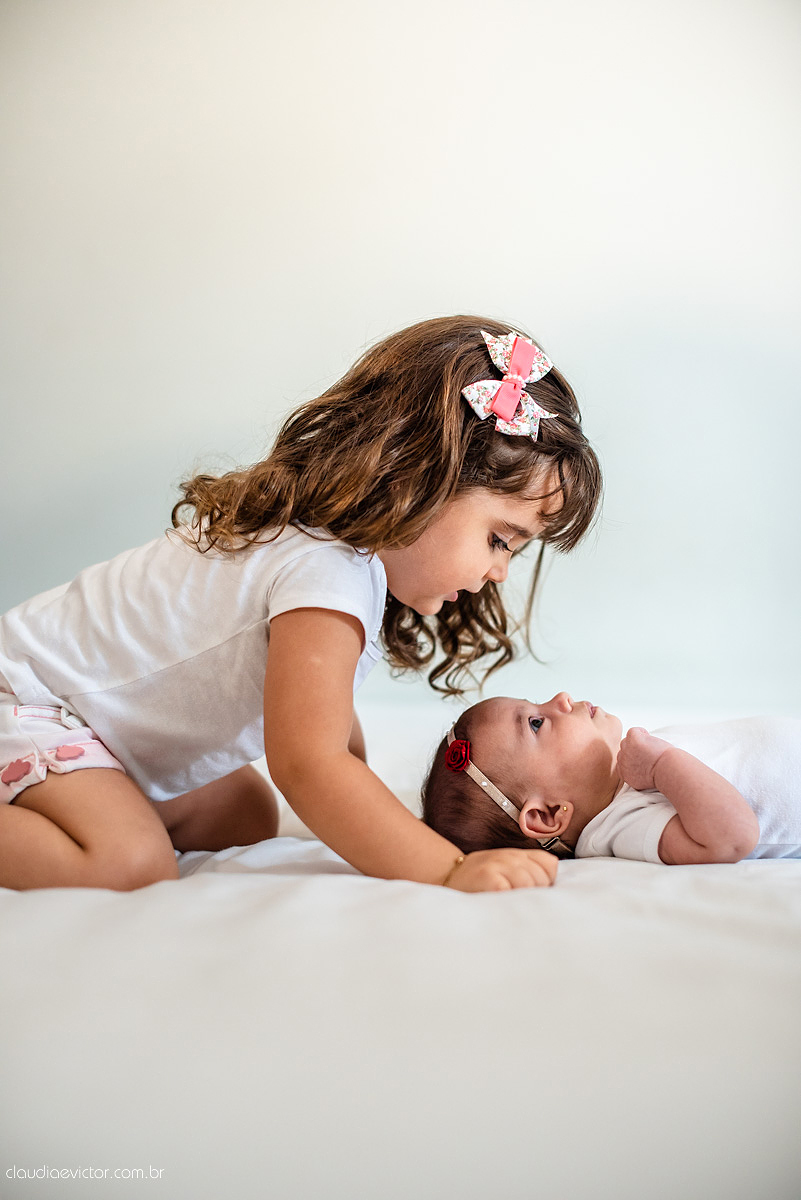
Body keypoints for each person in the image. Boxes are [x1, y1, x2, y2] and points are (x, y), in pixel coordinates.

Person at [0, 317, 601, 892]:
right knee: (129, 863)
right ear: (419, 477)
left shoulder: (342, 558)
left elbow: (332, 732)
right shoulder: (326, 570)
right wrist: (443, 869)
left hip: (98, 723)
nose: (497, 573)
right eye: (500, 539)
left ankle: (80, 800)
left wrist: (384, 823)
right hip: (32, 699)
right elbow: (309, 764)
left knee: (247, 814)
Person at [421, 692, 801, 863]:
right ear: (548, 815)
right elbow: (733, 838)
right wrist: (661, 767)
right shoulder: (622, 826)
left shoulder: (627, 774)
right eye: (536, 723)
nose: (561, 698)